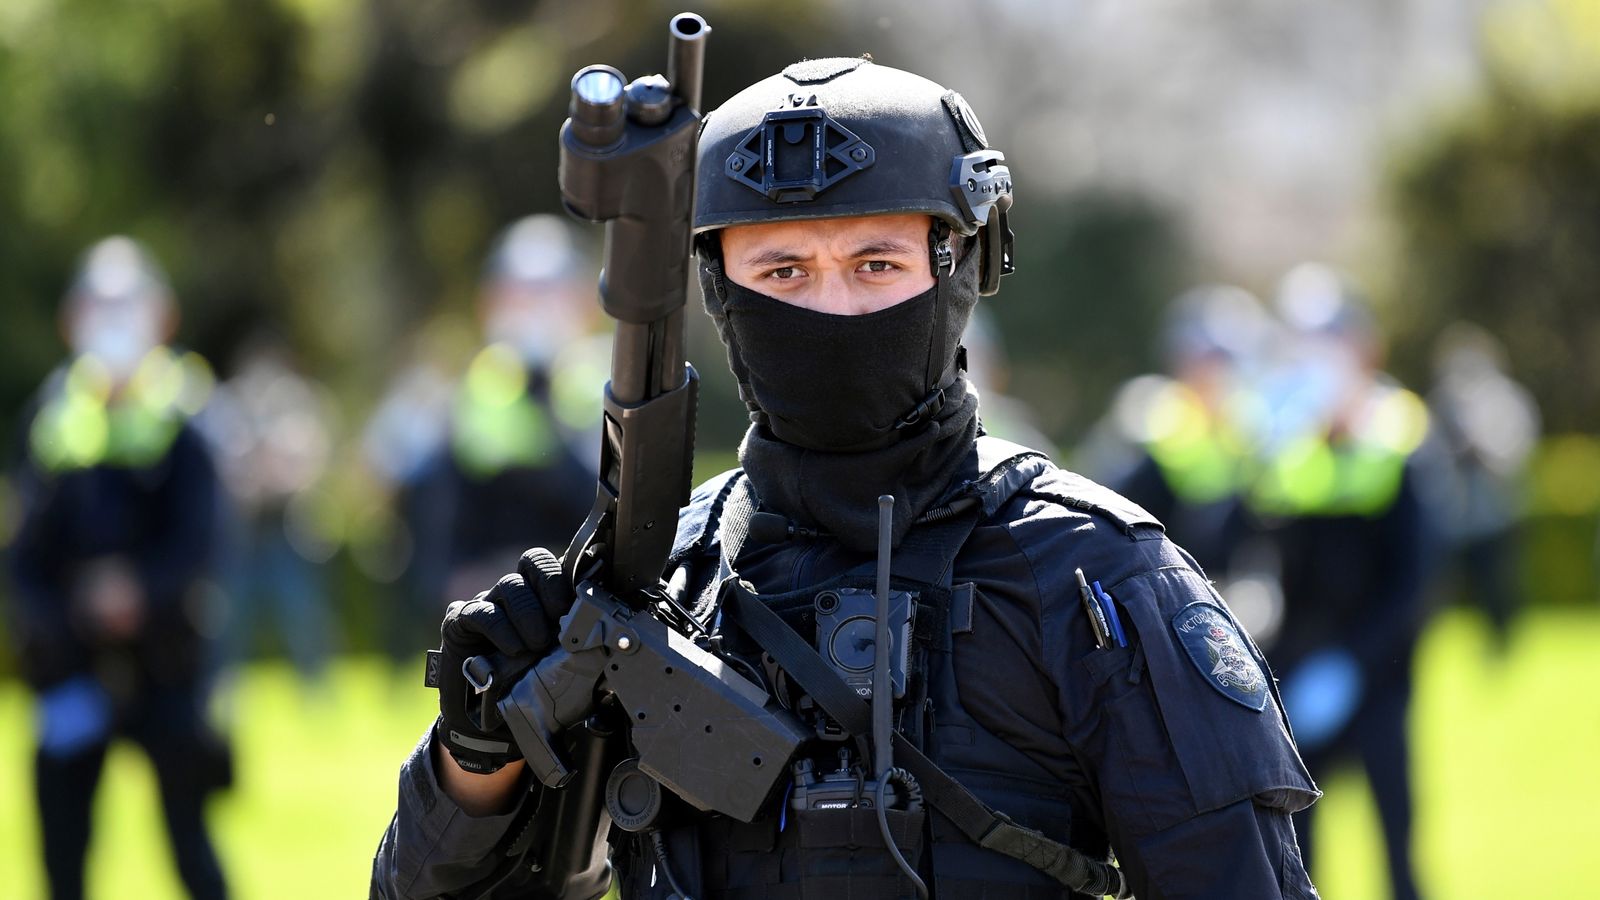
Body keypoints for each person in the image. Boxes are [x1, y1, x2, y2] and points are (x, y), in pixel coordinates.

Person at [373, 57, 1319, 899]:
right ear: (719, 290)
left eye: (876, 263)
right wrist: (476, 758)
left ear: (963, 264)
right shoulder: (659, 578)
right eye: (783, 271)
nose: (831, 308)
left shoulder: (1095, 582)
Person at [8, 237, 231, 900]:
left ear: (163, 316)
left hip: (167, 661)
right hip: (72, 665)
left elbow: (203, 541)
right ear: (70, 319)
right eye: (97, 306)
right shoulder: (50, 418)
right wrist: (69, 610)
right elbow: (24, 556)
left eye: (127, 305)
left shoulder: (188, 415)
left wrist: (140, 591)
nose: (112, 321)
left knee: (191, 845)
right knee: (63, 848)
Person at [1249, 263, 1433, 900]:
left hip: (1379, 671)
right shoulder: (1284, 442)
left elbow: (1414, 579)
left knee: (1397, 838)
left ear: (1364, 349)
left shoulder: (1399, 435)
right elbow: (1261, 553)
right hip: (1300, 671)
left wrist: (1354, 663)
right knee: (1297, 847)